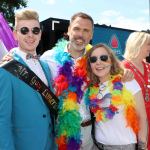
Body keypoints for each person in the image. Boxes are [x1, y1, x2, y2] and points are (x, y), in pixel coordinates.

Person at [41, 12, 134, 150]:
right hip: (61, 130)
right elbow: (32, 71)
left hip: (88, 131)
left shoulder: (95, 58)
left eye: (86, 31)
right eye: (77, 29)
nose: (81, 34)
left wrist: (125, 71)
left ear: (91, 35)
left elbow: (113, 68)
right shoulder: (49, 58)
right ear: (68, 30)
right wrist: (13, 55)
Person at [0, 9, 56, 150]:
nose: (30, 35)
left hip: (50, 143)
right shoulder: (6, 69)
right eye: (24, 30)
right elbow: (2, 120)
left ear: (40, 34)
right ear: (15, 34)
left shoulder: (45, 66)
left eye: (35, 30)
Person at [85, 43, 147, 150]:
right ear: (90, 65)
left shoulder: (127, 82)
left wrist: (142, 147)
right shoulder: (91, 88)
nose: (98, 62)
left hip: (123, 147)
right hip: (97, 145)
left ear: (111, 60)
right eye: (93, 59)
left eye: (103, 58)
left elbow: (142, 117)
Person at [123, 31, 150, 149]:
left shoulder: (148, 66)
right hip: (134, 118)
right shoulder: (123, 67)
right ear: (137, 44)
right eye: (148, 44)